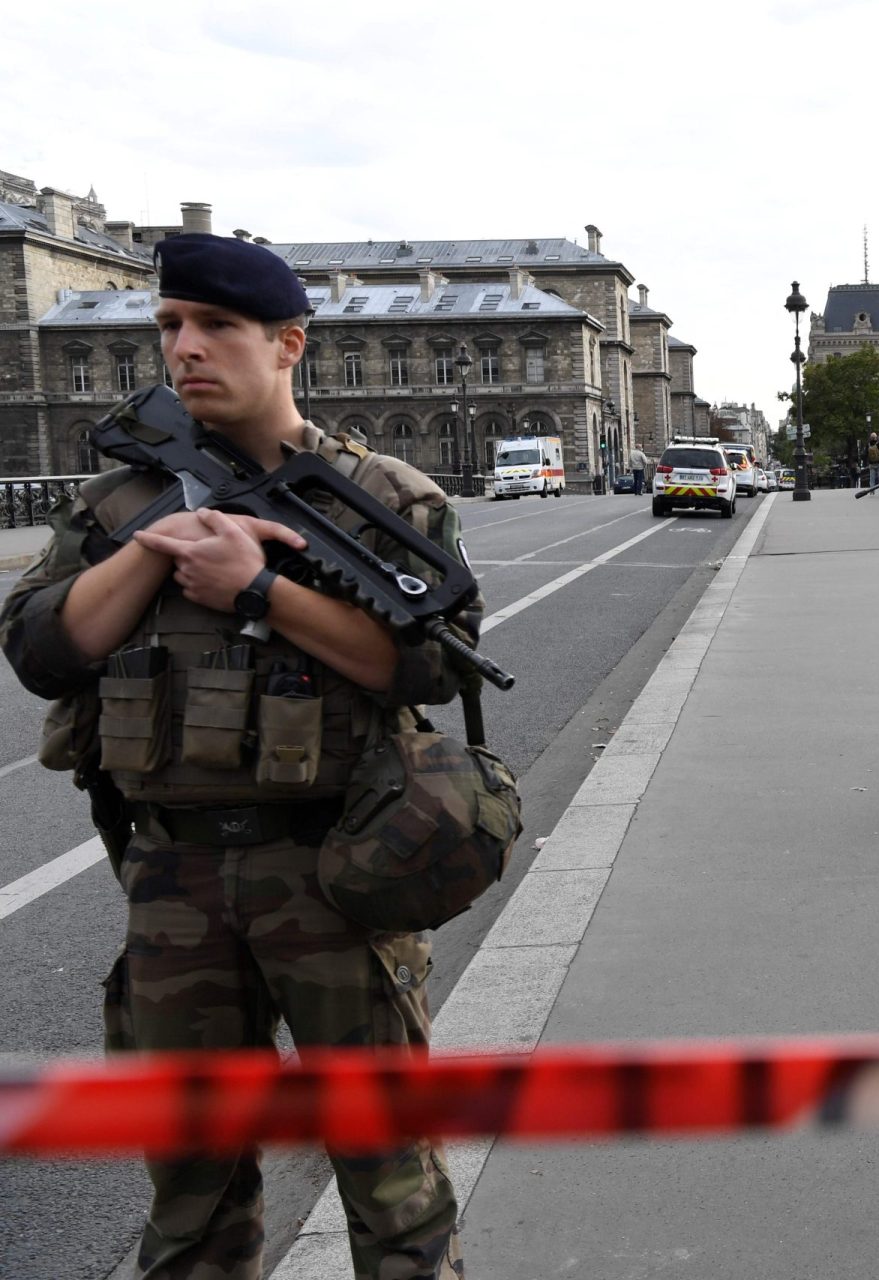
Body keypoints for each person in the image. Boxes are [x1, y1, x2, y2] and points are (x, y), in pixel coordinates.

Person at [0, 233, 473, 1279]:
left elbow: (426, 671)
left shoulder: (383, 497)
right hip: (172, 877)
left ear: (289, 343)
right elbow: (40, 651)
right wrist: (156, 545)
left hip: (337, 874)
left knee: (394, 1183)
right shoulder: (120, 503)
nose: (185, 348)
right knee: (192, 1195)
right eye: (170, 326)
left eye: (216, 326)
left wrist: (256, 589)